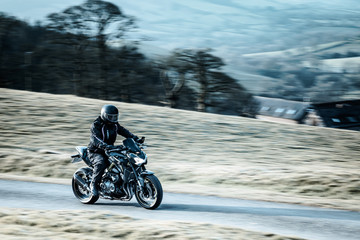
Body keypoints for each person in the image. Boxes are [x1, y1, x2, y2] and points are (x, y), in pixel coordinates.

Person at [87, 104, 142, 197]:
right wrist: (104, 145)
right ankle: (93, 185)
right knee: (101, 163)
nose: (113, 119)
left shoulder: (115, 125)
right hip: (96, 151)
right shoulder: (96, 125)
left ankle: (120, 185)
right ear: (104, 115)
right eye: (110, 117)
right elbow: (95, 138)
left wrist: (135, 138)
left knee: (124, 161)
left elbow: (124, 132)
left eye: (115, 117)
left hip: (109, 150)